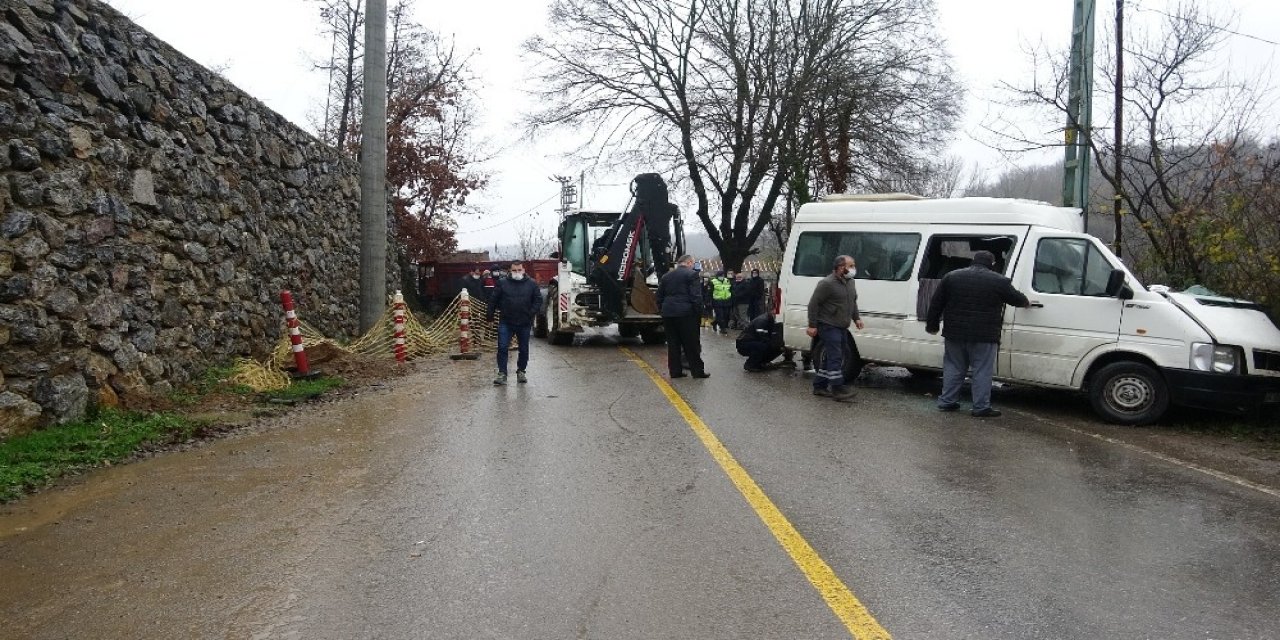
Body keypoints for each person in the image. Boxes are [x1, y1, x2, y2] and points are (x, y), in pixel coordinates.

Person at [925, 250, 1030, 417]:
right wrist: (1027, 303)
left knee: (953, 367)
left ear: (973, 261)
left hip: (954, 333)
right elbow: (1017, 299)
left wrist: (932, 325)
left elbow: (936, 303)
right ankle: (980, 407)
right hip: (984, 335)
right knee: (981, 370)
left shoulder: (952, 277)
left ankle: (947, 402)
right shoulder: (999, 281)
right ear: (993, 264)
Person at [806, 255, 864, 403]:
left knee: (835, 354)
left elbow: (852, 302)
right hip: (828, 325)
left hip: (842, 326)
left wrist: (856, 318)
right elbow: (813, 305)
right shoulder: (826, 283)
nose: (853, 269)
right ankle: (838, 388)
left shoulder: (850, 282)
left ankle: (819, 386)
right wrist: (812, 325)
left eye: (853, 266)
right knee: (836, 356)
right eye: (851, 266)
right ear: (840, 267)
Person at [486, 260, 543, 385]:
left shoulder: (532, 284)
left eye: (519, 270)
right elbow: (493, 300)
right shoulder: (502, 283)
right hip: (506, 321)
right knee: (502, 347)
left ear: (523, 270)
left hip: (524, 322)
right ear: (510, 271)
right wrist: (489, 316)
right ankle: (502, 373)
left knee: (523, 349)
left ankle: (521, 371)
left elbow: (538, 300)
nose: (517, 272)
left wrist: (530, 313)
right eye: (514, 270)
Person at [656, 254, 709, 379]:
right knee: (691, 343)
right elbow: (696, 296)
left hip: (668, 313)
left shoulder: (666, 276)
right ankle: (697, 371)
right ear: (689, 262)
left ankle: (675, 371)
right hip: (686, 313)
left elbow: (659, 296)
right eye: (693, 263)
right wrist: (699, 312)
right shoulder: (692, 275)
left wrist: (663, 309)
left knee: (673, 344)